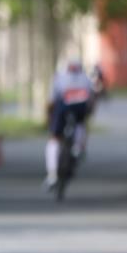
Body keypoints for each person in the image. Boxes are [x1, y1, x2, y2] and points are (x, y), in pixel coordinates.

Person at [44, 58, 95, 188]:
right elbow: (91, 100)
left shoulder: (59, 77)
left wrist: (48, 117)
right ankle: (77, 147)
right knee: (80, 123)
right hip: (80, 107)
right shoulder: (85, 78)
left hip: (63, 107)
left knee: (54, 139)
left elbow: (52, 100)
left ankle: (52, 174)